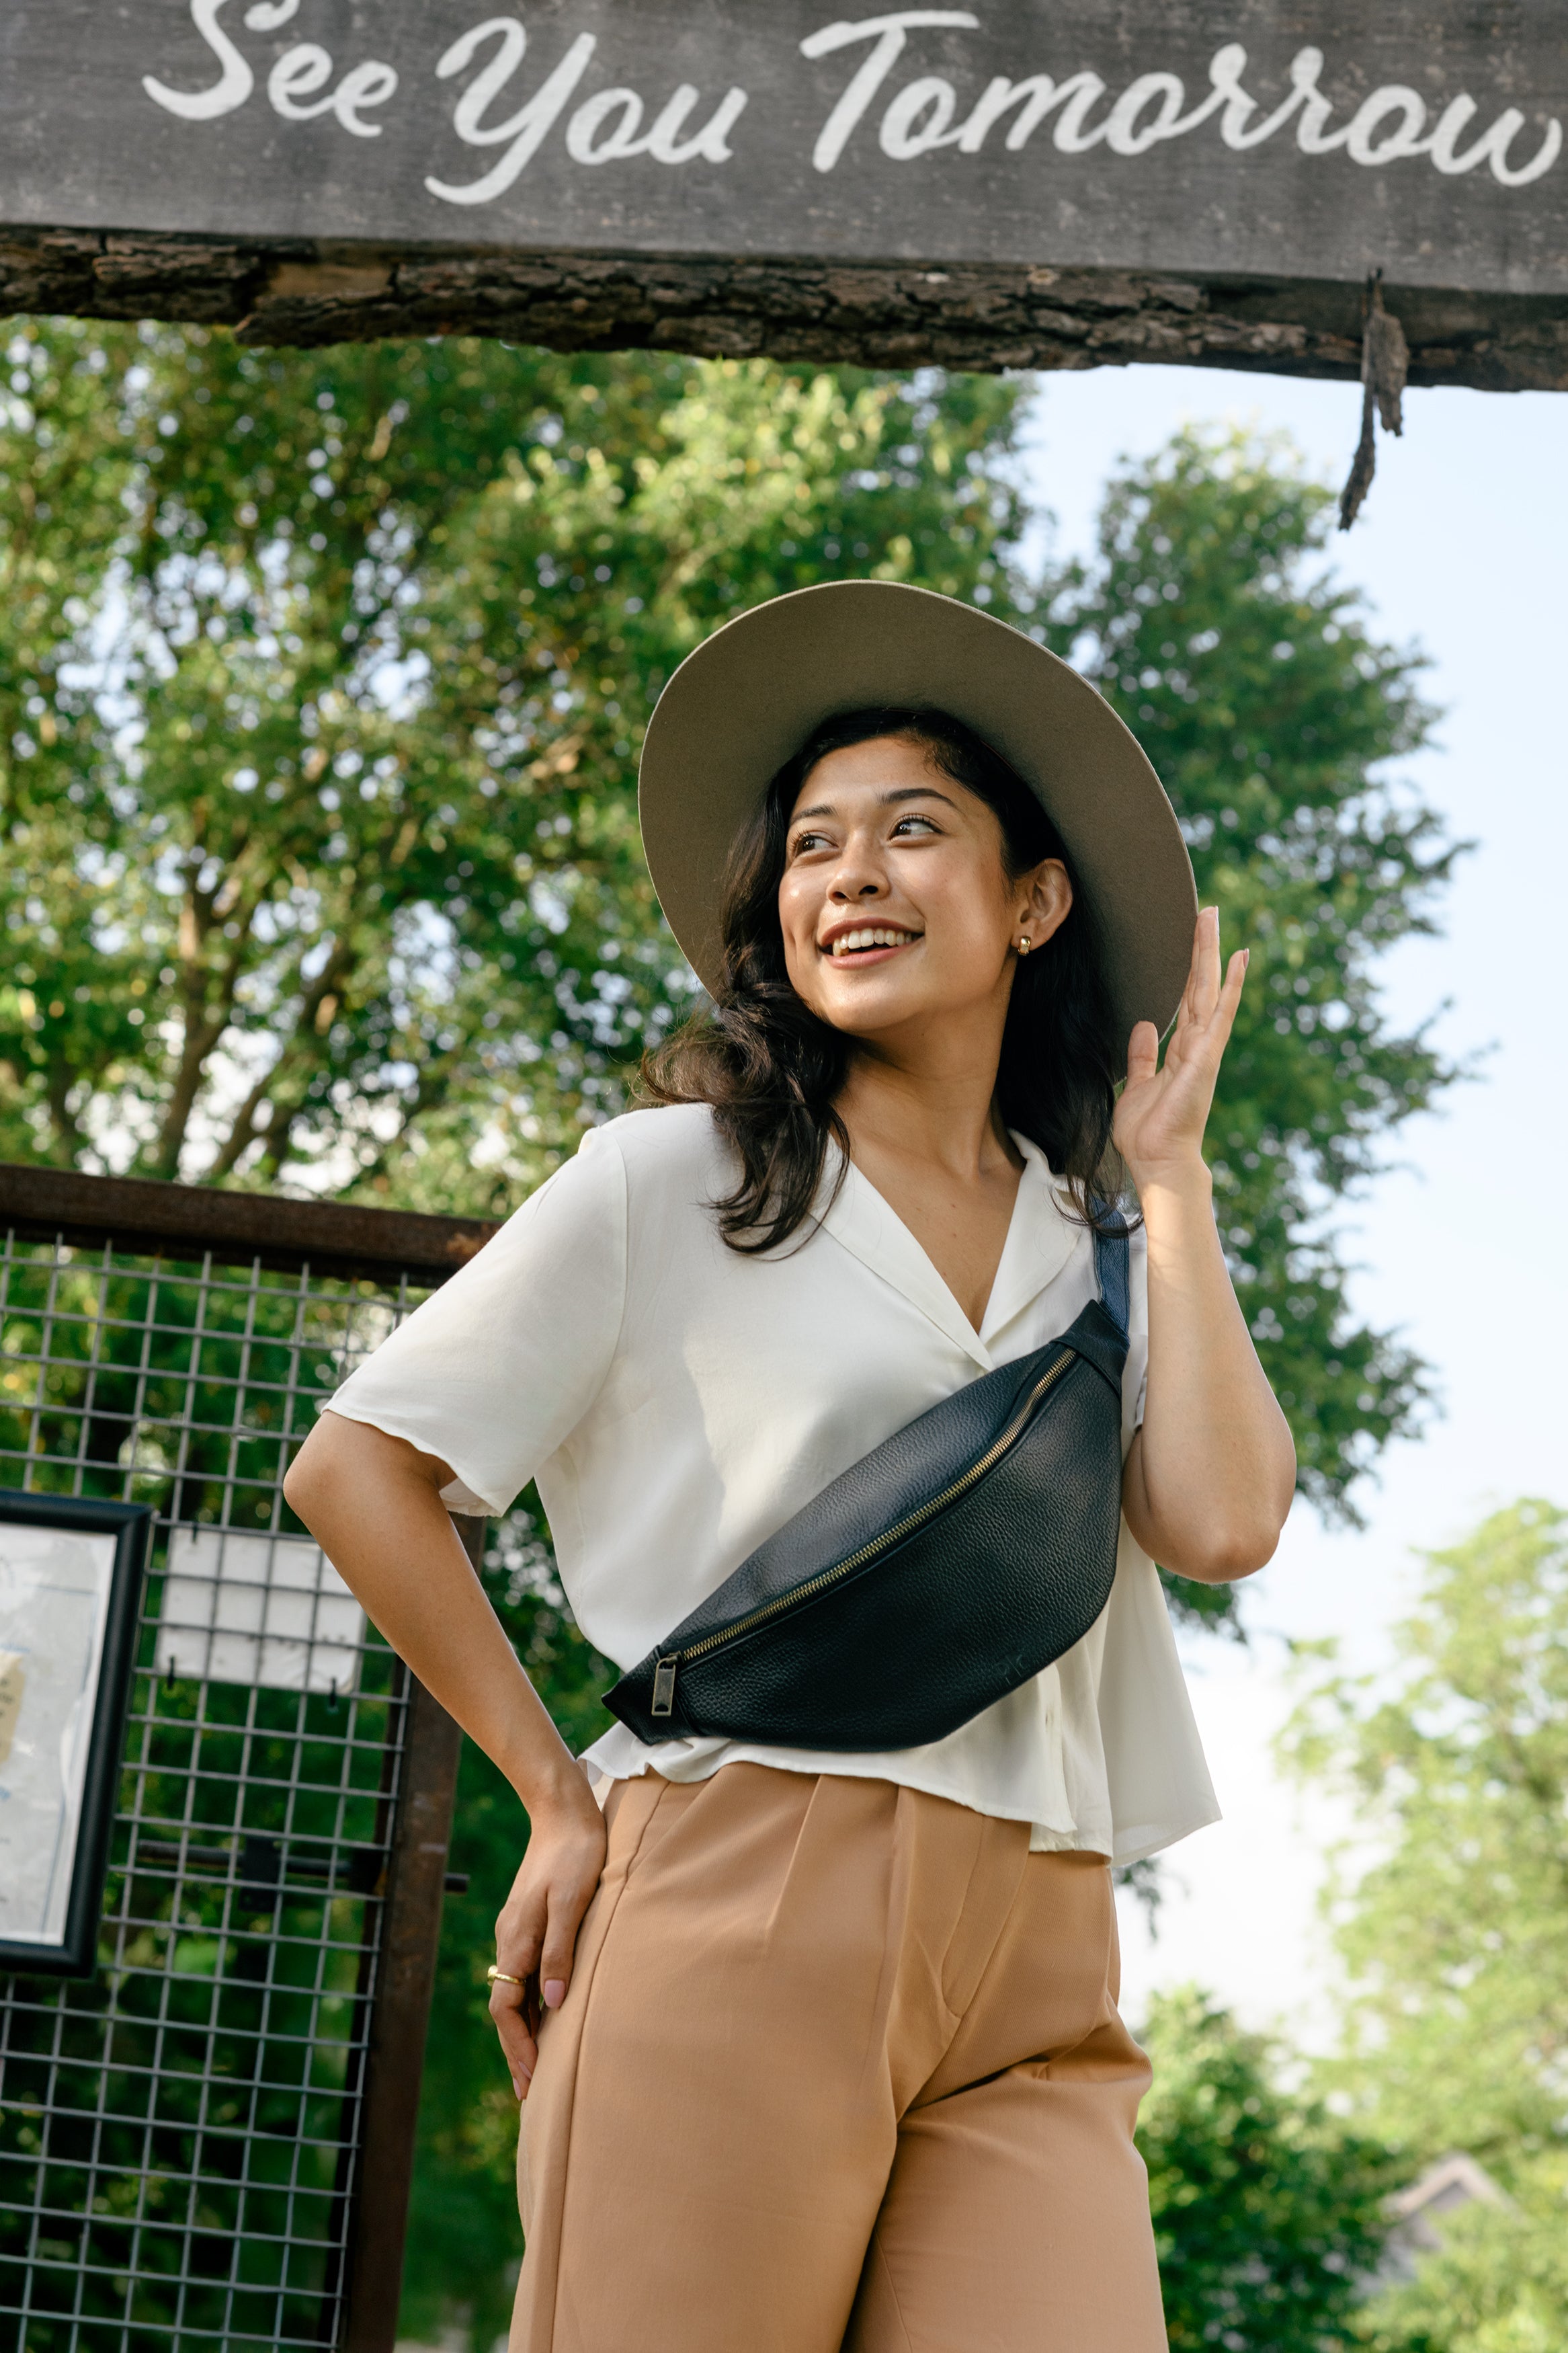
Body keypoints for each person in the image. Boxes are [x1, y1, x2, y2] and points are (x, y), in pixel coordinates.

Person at [286, 581, 1296, 2353]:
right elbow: (356, 1466)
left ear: (1033, 900)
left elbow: (1223, 1520)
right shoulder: (672, 1179)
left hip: (1045, 1955)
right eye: (815, 844)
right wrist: (558, 1790)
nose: (851, 875)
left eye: (917, 830)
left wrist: (1177, 1183)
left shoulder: (1099, 1249)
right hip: (742, 1886)